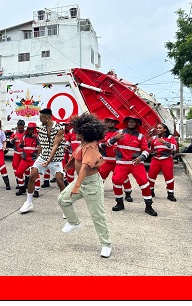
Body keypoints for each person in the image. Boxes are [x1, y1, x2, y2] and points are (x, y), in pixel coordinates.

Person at [57, 113, 112, 258]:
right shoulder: (83, 145)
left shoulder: (90, 148)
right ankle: (74, 222)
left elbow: (85, 168)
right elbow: (76, 161)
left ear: (84, 133)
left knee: (97, 216)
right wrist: (67, 169)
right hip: (80, 181)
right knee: (63, 200)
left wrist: (76, 186)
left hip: (91, 184)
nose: (74, 133)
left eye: (77, 131)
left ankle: (106, 245)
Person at [19, 108, 67, 213]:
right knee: (32, 176)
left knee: (59, 180)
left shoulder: (59, 128)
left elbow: (55, 145)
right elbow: (41, 144)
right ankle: (28, 203)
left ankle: (66, 207)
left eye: (41, 117)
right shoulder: (41, 128)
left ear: (47, 117)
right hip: (43, 156)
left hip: (55, 158)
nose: (40, 119)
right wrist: (37, 159)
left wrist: (49, 160)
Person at [108, 116, 158, 216]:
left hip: (136, 163)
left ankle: (149, 206)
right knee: (116, 181)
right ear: (126, 123)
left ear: (136, 124)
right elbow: (108, 144)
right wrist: (114, 138)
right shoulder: (120, 133)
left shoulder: (140, 136)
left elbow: (146, 150)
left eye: (133, 122)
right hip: (122, 163)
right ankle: (119, 203)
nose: (131, 123)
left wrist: (141, 158)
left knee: (144, 183)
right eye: (129, 122)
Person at [98, 117, 133, 201]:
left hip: (118, 161)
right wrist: (105, 145)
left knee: (124, 178)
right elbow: (98, 144)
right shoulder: (101, 133)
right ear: (105, 123)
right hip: (105, 160)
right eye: (109, 122)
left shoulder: (120, 132)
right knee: (100, 178)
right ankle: (98, 193)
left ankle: (128, 193)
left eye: (113, 122)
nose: (111, 123)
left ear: (115, 123)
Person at [147, 123, 178, 202]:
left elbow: (174, 148)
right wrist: (149, 143)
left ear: (165, 129)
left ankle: (170, 194)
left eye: (160, 128)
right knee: (151, 175)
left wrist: (165, 142)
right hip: (156, 159)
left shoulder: (170, 137)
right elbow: (150, 149)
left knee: (169, 177)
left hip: (166, 159)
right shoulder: (154, 138)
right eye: (157, 128)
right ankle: (151, 191)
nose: (158, 130)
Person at [14, 122, 40, 196]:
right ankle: (21, 187)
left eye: (32, 129)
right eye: (29, 128)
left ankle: (36, 190)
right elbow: (20, 145)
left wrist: (36, 138)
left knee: (35, 175)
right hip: (25, 159)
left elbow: (41, 146)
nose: (30, 130)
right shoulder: (24, 136)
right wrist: (21, 144)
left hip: (33, 160)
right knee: (18, 172)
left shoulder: (38, 137)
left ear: (34, 129)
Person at [9, 120, 26, 189]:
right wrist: (13, 139)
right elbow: (10, 141)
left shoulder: (26, 133)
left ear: (24, 127)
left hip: (24, 153)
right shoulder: (14, 133)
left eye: (21, 128)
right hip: (16, 153)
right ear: (17, 127)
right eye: (19, 128)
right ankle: (19, 182)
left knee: (26, 168)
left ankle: (26, 182)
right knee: (15, 167)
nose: (20, 129)